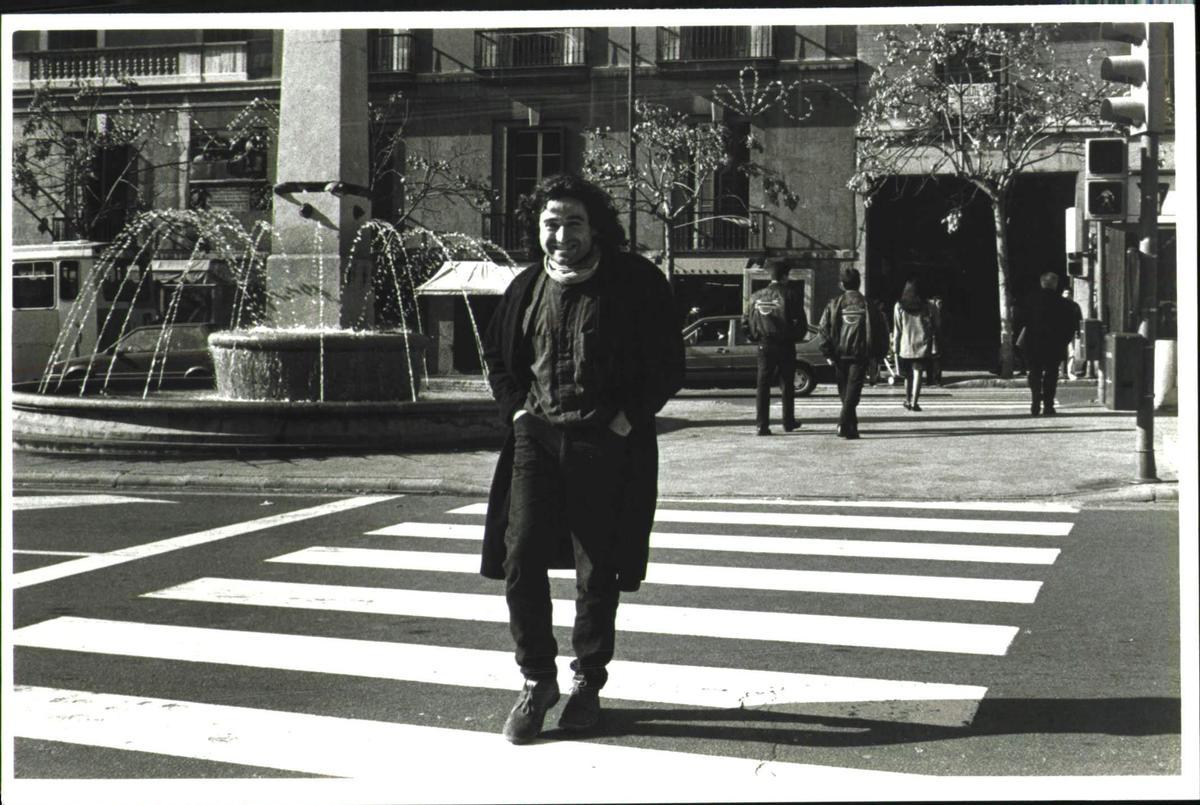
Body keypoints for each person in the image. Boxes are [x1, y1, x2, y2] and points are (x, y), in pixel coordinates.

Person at [479, 173, 685, 744]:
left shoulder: (636, 283)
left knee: (598, 568)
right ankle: (537, 679)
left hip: (603, 440)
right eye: (551, 223)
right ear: (537, 229)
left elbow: (669, 362)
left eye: (573, 222)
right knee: (519, 559)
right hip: (536, 438)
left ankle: (587, 683)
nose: (561, 234)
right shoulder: (525, 286)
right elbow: (497, 359)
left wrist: (626, 418)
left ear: (596, 228)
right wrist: (517, 413)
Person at [818, 266, 886, 439]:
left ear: (842, 284)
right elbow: (881, 331)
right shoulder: (869, 305)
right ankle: (848, 427)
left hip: (839, 354)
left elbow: (823, 329)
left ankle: (846, 425)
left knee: (846, 392)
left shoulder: (834, 304)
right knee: (852, 392)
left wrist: (827, 353)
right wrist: (879, 355)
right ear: (859, 283)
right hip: (861, 354)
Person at [743, 257, 807, 435]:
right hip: (785, 344)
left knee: (762, 385)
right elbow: (802, 323)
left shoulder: (756, 296)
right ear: (785, 276)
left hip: (764, 345)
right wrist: (794, 337)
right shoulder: (791, 294)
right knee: (787, 384)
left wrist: (756, 337)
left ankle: (761, 425)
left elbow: (745, 322)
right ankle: (788, 422)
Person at [1015, 272, 1082, 416]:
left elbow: (1020, 321)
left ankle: (1035, 401)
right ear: (1055, 284)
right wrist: (1063, 340)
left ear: (1041, 283)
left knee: (1034, 373)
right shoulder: (1065, 304)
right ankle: (1048, 405)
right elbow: (1071, 326)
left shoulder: (1030, 301)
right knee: (1051, 374)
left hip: (1033, 342)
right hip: (1055, 344)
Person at [892, 279, 940, 411]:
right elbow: (937, 325)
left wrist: (895, 346)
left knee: (908, 375)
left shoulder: (899, 306)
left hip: (905, 345)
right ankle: (914, 402)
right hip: (922, 344)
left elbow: (897, 329)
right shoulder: (929, 306)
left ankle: (907, 399)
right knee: (918, 372)